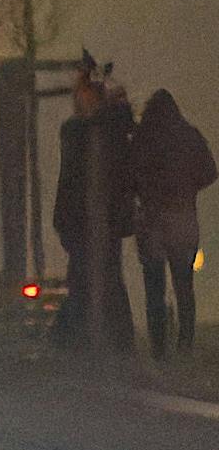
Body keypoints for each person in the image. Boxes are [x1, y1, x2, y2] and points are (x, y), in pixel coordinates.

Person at [54, 54, 135, 352]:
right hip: (88, 219)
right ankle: (100, 340)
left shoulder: (92, 131)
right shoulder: (96, 130)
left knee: (97, 277)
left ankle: (94, 341)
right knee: (97, 276)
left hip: (92, 219)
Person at [130, 89, 215, 361]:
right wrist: (187, 188)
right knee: (184, 284)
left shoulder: (143, 139)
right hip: (182, 218)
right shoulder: (189, 135)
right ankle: (185, 342)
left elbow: (130, 177)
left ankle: (158, 347)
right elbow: (210, 172)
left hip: (152, 220)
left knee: (154, 285)